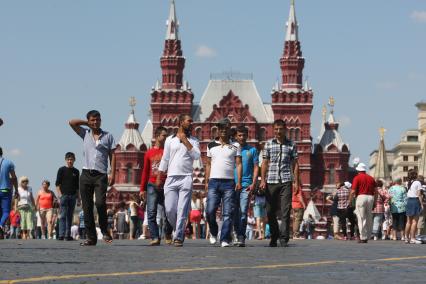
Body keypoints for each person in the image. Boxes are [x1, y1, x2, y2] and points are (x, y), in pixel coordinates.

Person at [69, 110, 116, 246]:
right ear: (89, 121)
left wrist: (112, 172)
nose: (96, 122)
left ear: (101, 120)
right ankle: (91, 238)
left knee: (100, 203)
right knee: (87, 206)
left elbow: (113, 155)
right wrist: (87, 124)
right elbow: (71, 122)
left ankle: (105, 230)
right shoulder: (85, 133)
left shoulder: (108, 136)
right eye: (93, 120)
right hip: (86, 174)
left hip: (101, 175)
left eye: (98, 120)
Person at [157, 114, 201, 247]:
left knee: (182, 209)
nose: (191, 123)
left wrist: (186, 141)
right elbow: (165, 159)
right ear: (181, 122)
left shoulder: (193, 140)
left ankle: (179, 236)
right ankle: (179, 228)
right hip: (171, 178)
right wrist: (160, 175)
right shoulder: (170, 140)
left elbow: (197, 155)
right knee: (170, 209)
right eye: (189, 121)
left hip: (186, 177)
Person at [260, 119, 299, 247]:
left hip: (286, 180)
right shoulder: (269, 144)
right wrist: (263, 180)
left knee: (285, 210)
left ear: (285, 129)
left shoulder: (291, 145)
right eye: (276, 129)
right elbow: (265, 163)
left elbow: (295, 164)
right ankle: (274, 234)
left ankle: (283, 238)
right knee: (270, 211)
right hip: (271, 180)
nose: (278, 131)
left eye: (280, 129)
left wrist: (296, 182)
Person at [205, 118, 242, 247]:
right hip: (213, 182)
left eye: (225, 128)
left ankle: (225, 239)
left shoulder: (235, 145)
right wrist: (206, 180)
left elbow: (238, 164)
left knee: (228, 213)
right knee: (210, 211)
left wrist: (239, 181)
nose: (223, 130)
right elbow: (208, 164)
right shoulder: (210, 145)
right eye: (220, 128)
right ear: (218, 130)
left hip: (229, 183)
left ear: (229, 130)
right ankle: (214, 232)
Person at [140, 126, 173, 246]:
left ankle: (168, 233)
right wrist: (142, 189)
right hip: (152, 185)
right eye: (164, 135)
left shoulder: (168, 152)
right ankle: (155, 237)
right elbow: (145, 171)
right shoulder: (149, 153)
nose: (166, 138)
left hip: (166, 185)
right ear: (157, 136)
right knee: (151, 212)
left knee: (168, 212)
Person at [233, 125, 258, 247]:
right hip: (231, 185)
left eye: (244, 135)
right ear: (235, 136)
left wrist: (253, 183)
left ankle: (241, 236)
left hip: (246, 185)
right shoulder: (232, 149)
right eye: (239, 135)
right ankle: (236, 233)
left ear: (247, 136)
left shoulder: (252, 150)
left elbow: (256, 167)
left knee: (243, 212)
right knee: (233, 211)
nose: (242, 137)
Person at [349, 163, 377, 244]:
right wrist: (374, 201)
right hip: (370, 197)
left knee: (361, 218)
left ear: (358, 170)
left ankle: (363, 237)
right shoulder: (371, 178)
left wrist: (350, 201)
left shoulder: (357, 178)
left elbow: (353, 191)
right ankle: (368, 235)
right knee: (369, 217)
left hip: (361, 197)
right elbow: (376, 191)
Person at [56, 152, 80, 241]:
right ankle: (61, 234)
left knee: (70, 216)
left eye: (71, 159)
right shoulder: (61, 170)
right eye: (68, 159)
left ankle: (67, 235)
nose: (70, 161)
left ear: (74, 160)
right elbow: (57, 184)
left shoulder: (76, 171)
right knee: (62, 215)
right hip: (64, 195)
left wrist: (79, 198)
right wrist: (60, 195)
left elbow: (77, 186)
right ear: (66, 160)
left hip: (73, 196)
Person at [0, 147, 18, 239]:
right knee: (6, 212)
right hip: (5, 190)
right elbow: (14, 177)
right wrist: (16, 190)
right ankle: (0, 226)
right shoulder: (8, 162)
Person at [404, 170, 423, 244]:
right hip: (415, 201)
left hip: (409, 201)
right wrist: (421, 204)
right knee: (415, 221)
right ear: (415, 175)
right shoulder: (418, 182)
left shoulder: (407, 183)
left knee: (408, 221)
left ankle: (406, 238)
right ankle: (412, 238)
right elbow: (419, 194)